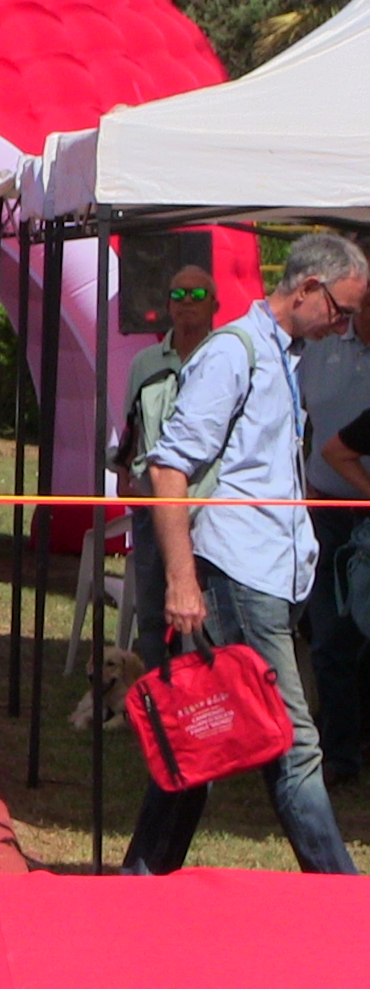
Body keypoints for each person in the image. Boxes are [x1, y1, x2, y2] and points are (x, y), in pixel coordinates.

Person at [124, 233, 366, 876]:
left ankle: (138, 882)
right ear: (308, 288)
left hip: (269, 575)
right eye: (341, 310)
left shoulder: (284, 354)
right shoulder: (234, 353)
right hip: (237, 574)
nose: (344, 325)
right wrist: (182, 582)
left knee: (202, 735)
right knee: (291, 741)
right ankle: (345, 896)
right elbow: (167, 467)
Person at [118, 265, 218, 670]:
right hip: (153, 507)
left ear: (215, 305)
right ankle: (158, 690)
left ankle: (202, 689)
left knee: (207, 613)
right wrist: (125, 479)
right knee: (152, 609)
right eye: (178, 295)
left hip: (211, 509)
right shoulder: (143, 363)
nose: (187, 302)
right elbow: (131, 428)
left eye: (197, 295)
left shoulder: (224, 359)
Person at [301, 238, 370, 789]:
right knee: (329, 637)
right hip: (325, 509)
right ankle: (340, 752)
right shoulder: (319, 342)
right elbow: (301, 422)